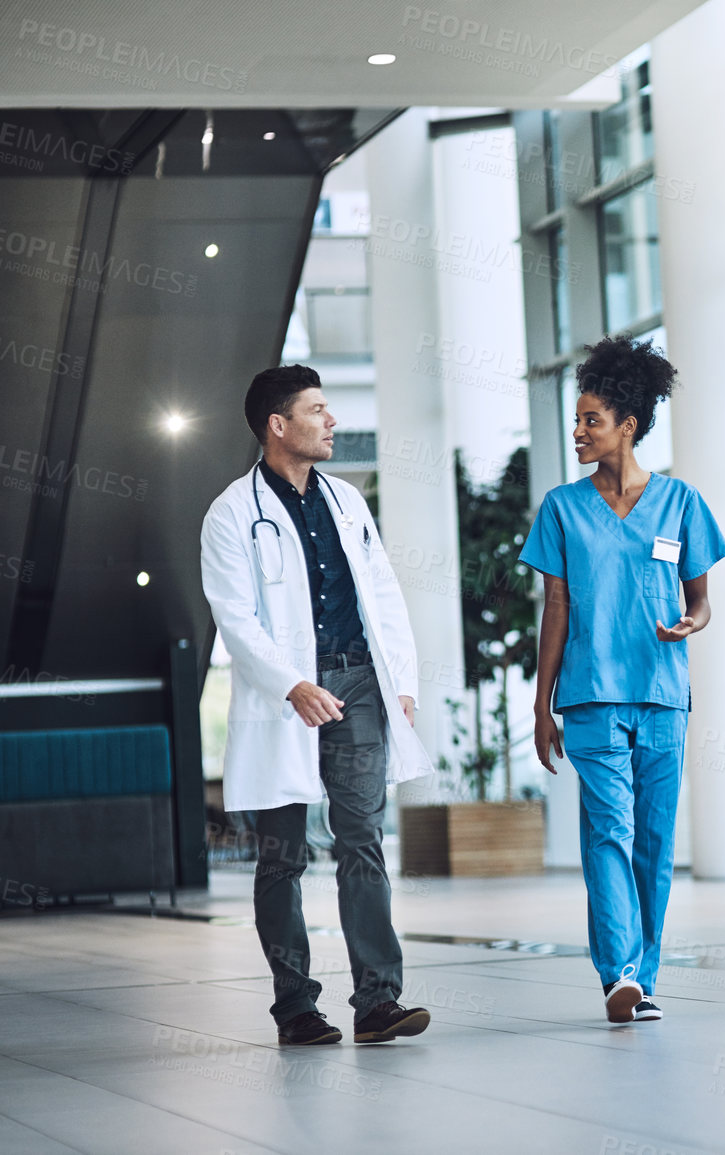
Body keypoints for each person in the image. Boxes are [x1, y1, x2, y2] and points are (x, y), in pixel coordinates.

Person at [200, 364, 434, 1047]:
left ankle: (378, 1001)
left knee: (362, 836)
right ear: (279, 424)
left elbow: (383, 593)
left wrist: (403, 680)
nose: (331, 421)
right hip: (285, 696)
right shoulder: (231, 513)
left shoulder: (346, 501)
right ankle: (296, 1006)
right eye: (318, 409)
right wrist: (289, 682)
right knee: (283, 854)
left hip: (359, 680)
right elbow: (233, 616)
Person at [522, 335, 725, 1025]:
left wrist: (691, 623)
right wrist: (541, 703)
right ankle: (620, 974)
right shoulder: (559, 507)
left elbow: (699, 599)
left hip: (663, 694)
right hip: (588, 695)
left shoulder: (680, 503)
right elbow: (557, 606)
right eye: (577, 420)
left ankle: (642, 969)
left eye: (590, 421)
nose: (578, 432)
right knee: (608, 829)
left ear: (627, 426)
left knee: (654, 841)